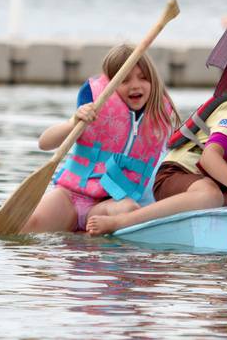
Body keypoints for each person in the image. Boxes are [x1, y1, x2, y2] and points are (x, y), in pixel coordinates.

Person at [22, 45, 179, 233]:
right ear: (110, 84)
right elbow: (44, 143)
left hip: (109, 203)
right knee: (28, 227)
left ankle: (88, 236)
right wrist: (74, 122)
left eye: (143, 78)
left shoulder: (160, 118)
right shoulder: (93, 108)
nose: (135, 85)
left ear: (153, 82)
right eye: (125, 80)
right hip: (70, 196)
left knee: (130, 210)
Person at [86, 93, 227, 235]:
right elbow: (209, 157)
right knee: (210, 195)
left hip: (215, 187)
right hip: (174, 174)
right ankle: (121, 222)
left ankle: (213, 205)